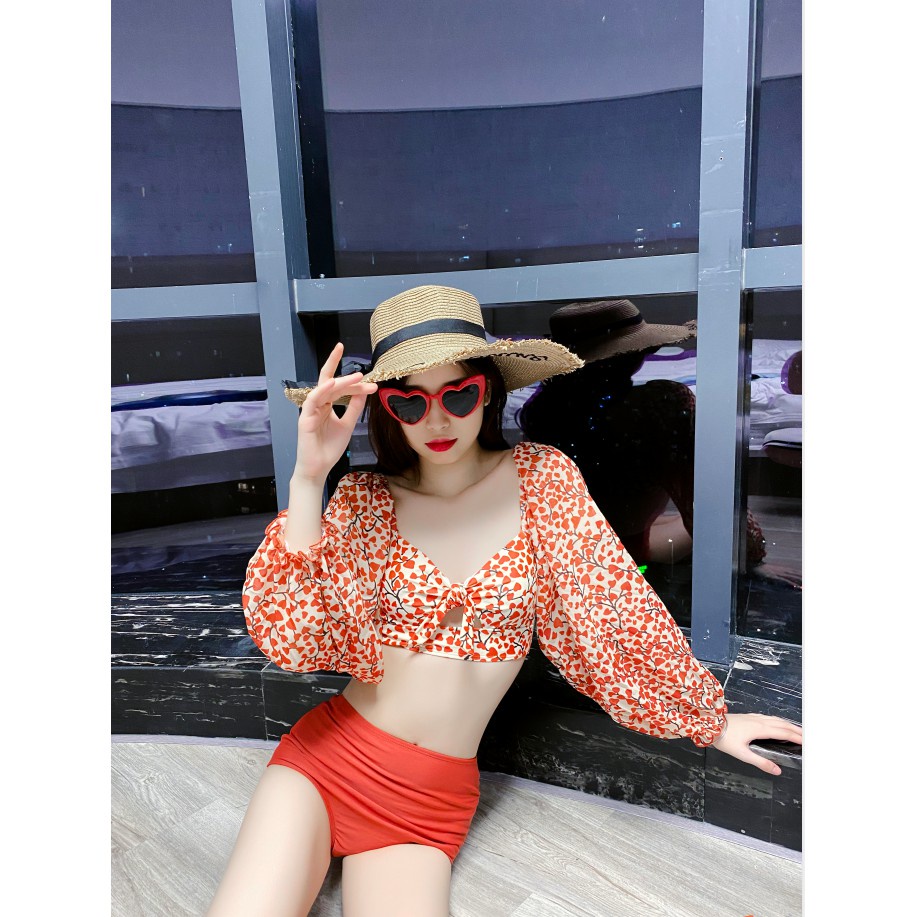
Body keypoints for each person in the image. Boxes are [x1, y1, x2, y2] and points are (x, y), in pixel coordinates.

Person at [206, 285, 803, 917]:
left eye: (457, 395)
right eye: (410, 402)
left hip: (426, 803)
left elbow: (611, 607)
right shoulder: (365, 499)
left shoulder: (543, 480)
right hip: (326, 761)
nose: (437, 421)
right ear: (386, 407)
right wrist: (309, 477)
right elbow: (297, 637)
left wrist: (707, 718)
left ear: (487, 390)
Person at [517, 298, 799, 626]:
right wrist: (751, 561)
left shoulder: (544, 411)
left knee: (657, 515)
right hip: (620, 559)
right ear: (633, 354)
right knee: (704, 515)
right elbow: (707, 498)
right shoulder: (658, 406)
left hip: (560, 553)